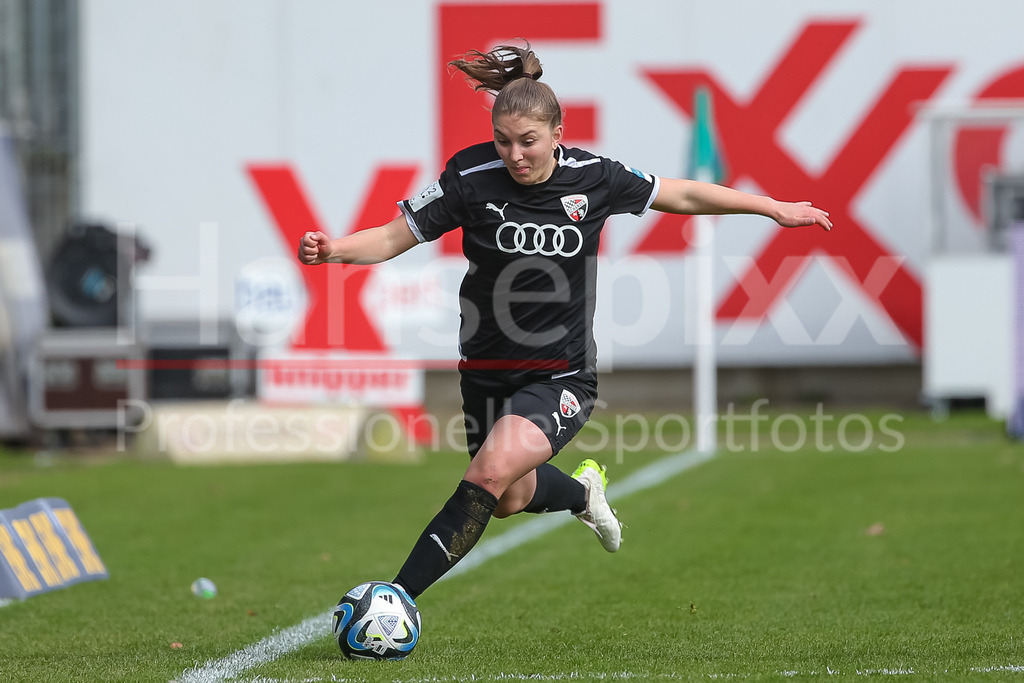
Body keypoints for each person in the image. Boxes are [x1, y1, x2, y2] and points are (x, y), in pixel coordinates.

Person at [297, 43, 831, 601]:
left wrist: (772, 207)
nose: (515, 155)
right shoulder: (469, 175)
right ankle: (582, 495)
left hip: (559, 375)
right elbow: (391, 236)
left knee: (489, 473)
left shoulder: (594, 178)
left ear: (557, 132)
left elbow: (686, 192)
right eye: (504, 141)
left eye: (527, 141)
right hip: (484, 368)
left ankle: (395, 599)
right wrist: (333, 249)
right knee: (506, 495)